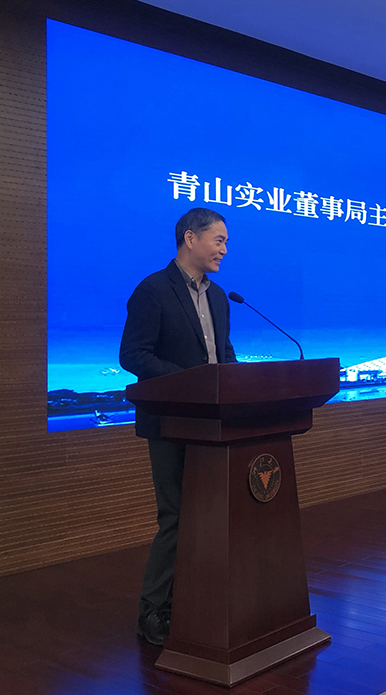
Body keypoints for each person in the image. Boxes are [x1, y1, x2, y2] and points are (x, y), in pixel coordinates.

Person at [119, 207, 237, 645]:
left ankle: (195, 599)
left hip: (215, 425)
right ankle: (153, 611)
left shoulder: (219, 296)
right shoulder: (153, 289)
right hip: (171, 422)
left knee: (210, 516)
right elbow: (133, 355)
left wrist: (239, 386)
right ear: (190, 238)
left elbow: (223, 355)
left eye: (226, 242)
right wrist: (190, 382)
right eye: (219, 240)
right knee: (176, 517)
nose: (224, 250)